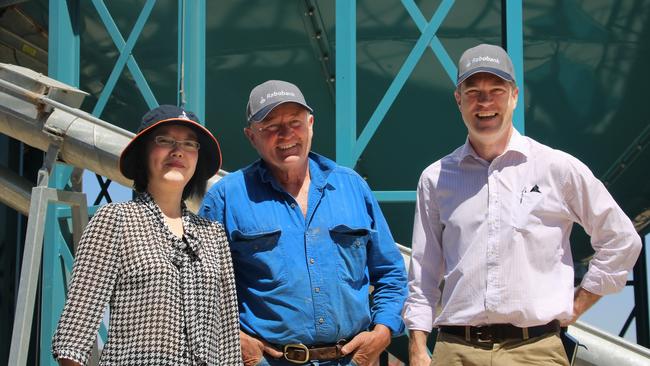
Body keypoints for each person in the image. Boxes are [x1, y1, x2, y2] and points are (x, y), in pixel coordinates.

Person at [403, 44, 642, 366]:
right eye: (473, 91)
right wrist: (417, 347)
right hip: (455, 351)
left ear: (514, 95)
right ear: (458, 100)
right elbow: (424, 272)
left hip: (535, 351)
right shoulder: (436, 178)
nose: (484, 102)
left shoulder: (556, 168)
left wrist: (578, 304)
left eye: (496, 90)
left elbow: (622, 240)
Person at [199, 80, 407, 366]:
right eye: (270, 126)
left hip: (351, 360)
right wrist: (234, 339)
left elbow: (390, 273)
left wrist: (383, 330)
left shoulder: (352, 187)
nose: (286, 134)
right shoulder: (227, 197)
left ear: (310, 124)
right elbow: (199, 288)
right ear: (251, 136)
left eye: (295, 122)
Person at [51, 105, 241, 365]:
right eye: (165, 140)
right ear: (143, 152)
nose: (178, 151)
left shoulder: (213, 236)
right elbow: (73, 339)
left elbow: (228, 343)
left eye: (189, 144)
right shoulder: (115, 221)